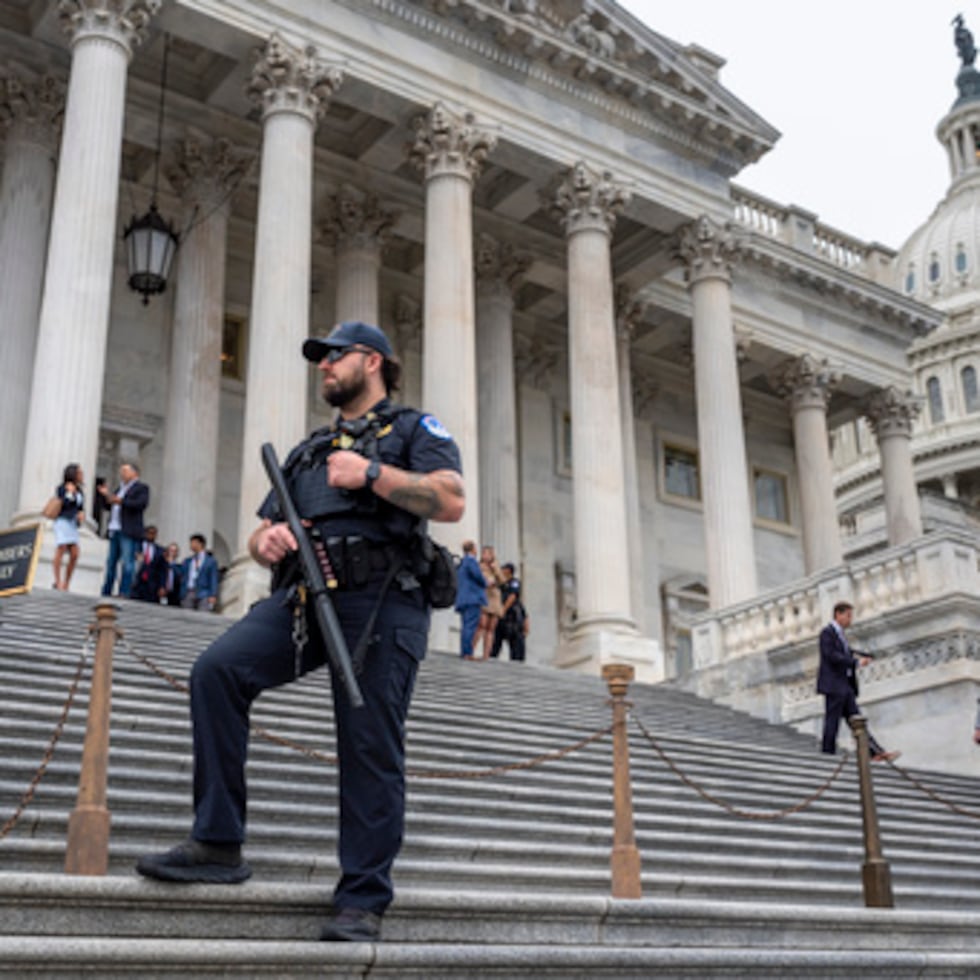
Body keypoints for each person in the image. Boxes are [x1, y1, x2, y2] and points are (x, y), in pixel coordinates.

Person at [135, 320, 464, 945]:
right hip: (304, 596)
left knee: (368, 739)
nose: (323, 368)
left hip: (381, 601)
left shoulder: (415, 431)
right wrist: (269, 542)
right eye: (321, 359)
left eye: (333, 357)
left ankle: (362, 897)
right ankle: (218, 841)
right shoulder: (309, 450)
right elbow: (263, 534)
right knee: (217, 671)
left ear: (371, 361)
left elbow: (450, 501)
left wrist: (372, 476)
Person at [817, 602, 898, 762]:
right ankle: (827, 755)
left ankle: (874, 751)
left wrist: (861, 656)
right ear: (838, 615)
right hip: (834, 685)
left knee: (857, 720)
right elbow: (831, 655)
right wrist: (855, 663)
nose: (850, 619)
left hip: (845, 686)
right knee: (832, 721)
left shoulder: (840, 636)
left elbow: (845, 652)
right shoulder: (827, 633)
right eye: (848, 615)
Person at [99, 462, 150, 598]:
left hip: (128, 530)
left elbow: (140, 504)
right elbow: (109, 505)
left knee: (128, 563)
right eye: (121, 471)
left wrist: (120, 501)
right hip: (114, 529)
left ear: (135, 473)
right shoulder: (119, 489)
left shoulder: (141, 488)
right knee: (111, 563)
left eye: (125, 471)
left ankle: (124, 591)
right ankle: (106, 590)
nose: (122, 474)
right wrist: (106, 496)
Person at [51, 463, 85, 592]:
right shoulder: (62, 488)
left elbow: (80, 506)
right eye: (79, 473)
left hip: (72, 523)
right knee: (61, 548)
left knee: (75, 553)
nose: (81, 476)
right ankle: (57, 581)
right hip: (62, 521)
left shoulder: (80, 490)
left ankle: (67, 582)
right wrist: (69, 493)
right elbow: (63, 503)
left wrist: (81, 514)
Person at [454, 540, 486, 658]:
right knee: (470, 626)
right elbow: (478, 577)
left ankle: (465, 651)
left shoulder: (461, 563)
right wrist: (486, 582)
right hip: (472, 598)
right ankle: (467, 652)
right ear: (473, 549)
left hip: (463, 598)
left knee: (465, 625)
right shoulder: (471, 561)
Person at [490, 562, 528, 662]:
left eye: (503, 569)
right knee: (495, 643)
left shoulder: (514, 582)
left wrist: (503, 610)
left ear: (508, 571)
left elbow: (513, 596)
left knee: (516, 646)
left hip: (512, 618)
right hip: (500, 618)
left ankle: (517, 664)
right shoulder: (499, 584)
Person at [473, 544, 503, 659]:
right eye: (484, 553)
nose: (486, 555)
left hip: (494, 597)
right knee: (481, 624)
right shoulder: (479, 566)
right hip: (484, 596)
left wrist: (495, 570)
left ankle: (486, 654)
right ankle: (471, 649)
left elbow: (502, 581)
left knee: (491, 628)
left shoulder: (496, 568)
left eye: (488, 553)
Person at [180, 534, 219, 612]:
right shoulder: (188, 561)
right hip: (188, 592)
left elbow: (213, 578)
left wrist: (213, 595)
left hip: (204, 593)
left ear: (200, 544)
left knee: (203, 616)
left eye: (192, 543)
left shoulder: (210, 561)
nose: (190, 545)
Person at [130, 525, 168, 603]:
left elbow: (163, 570)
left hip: (152, 585)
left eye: (154, 533)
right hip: (137, 582)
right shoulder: (136, 546)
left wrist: (162, 586)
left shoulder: (160, 551)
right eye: (149, 533)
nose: (151, 535)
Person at [161, 542, 183, 606]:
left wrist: (171, 564)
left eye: (175, 551)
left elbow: (179, 576)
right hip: (162, 592)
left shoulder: (179, 566)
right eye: (171, 550)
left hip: (174, 594)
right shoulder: (160, 564)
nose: (172, 553)